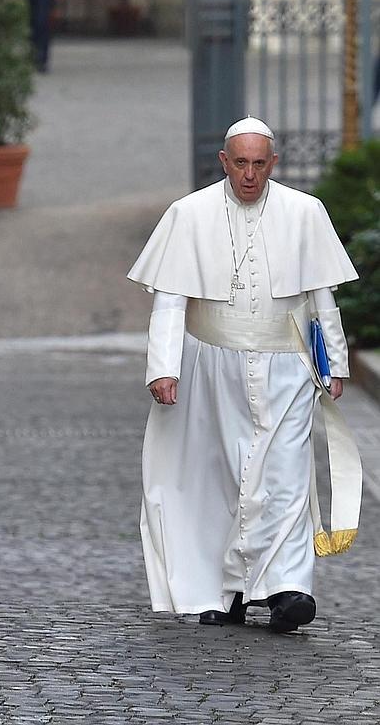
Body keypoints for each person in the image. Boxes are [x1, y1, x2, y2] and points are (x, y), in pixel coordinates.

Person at [127, 116, 362, 634]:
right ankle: (221, 590)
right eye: (241, 163)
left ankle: (287, 589)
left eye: (260, 164)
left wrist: (335, 363)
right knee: (218, 478)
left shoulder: (305, 212)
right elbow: (169, 300)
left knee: (284, 474)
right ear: (224, 162)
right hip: (211, 365)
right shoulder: (188, 215)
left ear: (272, 163)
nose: (250, 175)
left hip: (288, 365)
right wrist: (163, 368)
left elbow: (322, 295)